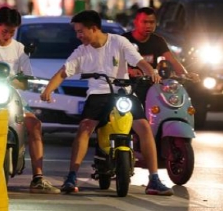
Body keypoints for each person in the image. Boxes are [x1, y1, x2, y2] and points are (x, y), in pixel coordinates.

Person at [40, 10, 174, 196]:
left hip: (123, 93)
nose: (78, 36)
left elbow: (139, 61)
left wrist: (151, 72)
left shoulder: (119, 42)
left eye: (80, 31)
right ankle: (71, 176)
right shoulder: (81, 51)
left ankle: (154, 179)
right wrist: (48, 89)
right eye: (76, 32)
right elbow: (63, 73)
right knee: (85, 128)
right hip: (98, 95)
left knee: (144, 128)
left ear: (93, 28)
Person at [0, 7, 60, 194]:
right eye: (5, 31)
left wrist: (15, 80)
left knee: (35, 125)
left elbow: (24, 82)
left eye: (12, 32)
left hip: (13, 98)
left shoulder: (20, 49)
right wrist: (12, 77)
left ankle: (37, 177)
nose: (8, 36)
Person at [122, 6, 199, 104]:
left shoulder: (158, 41)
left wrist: (186, 74)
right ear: (136, 22)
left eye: (152, 22)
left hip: (152, 85)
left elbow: (172, 60)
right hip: (128, 87)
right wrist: (129, 70)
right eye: (145, 22)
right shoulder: (124, 40)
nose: (149, 25)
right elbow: (114, 62)